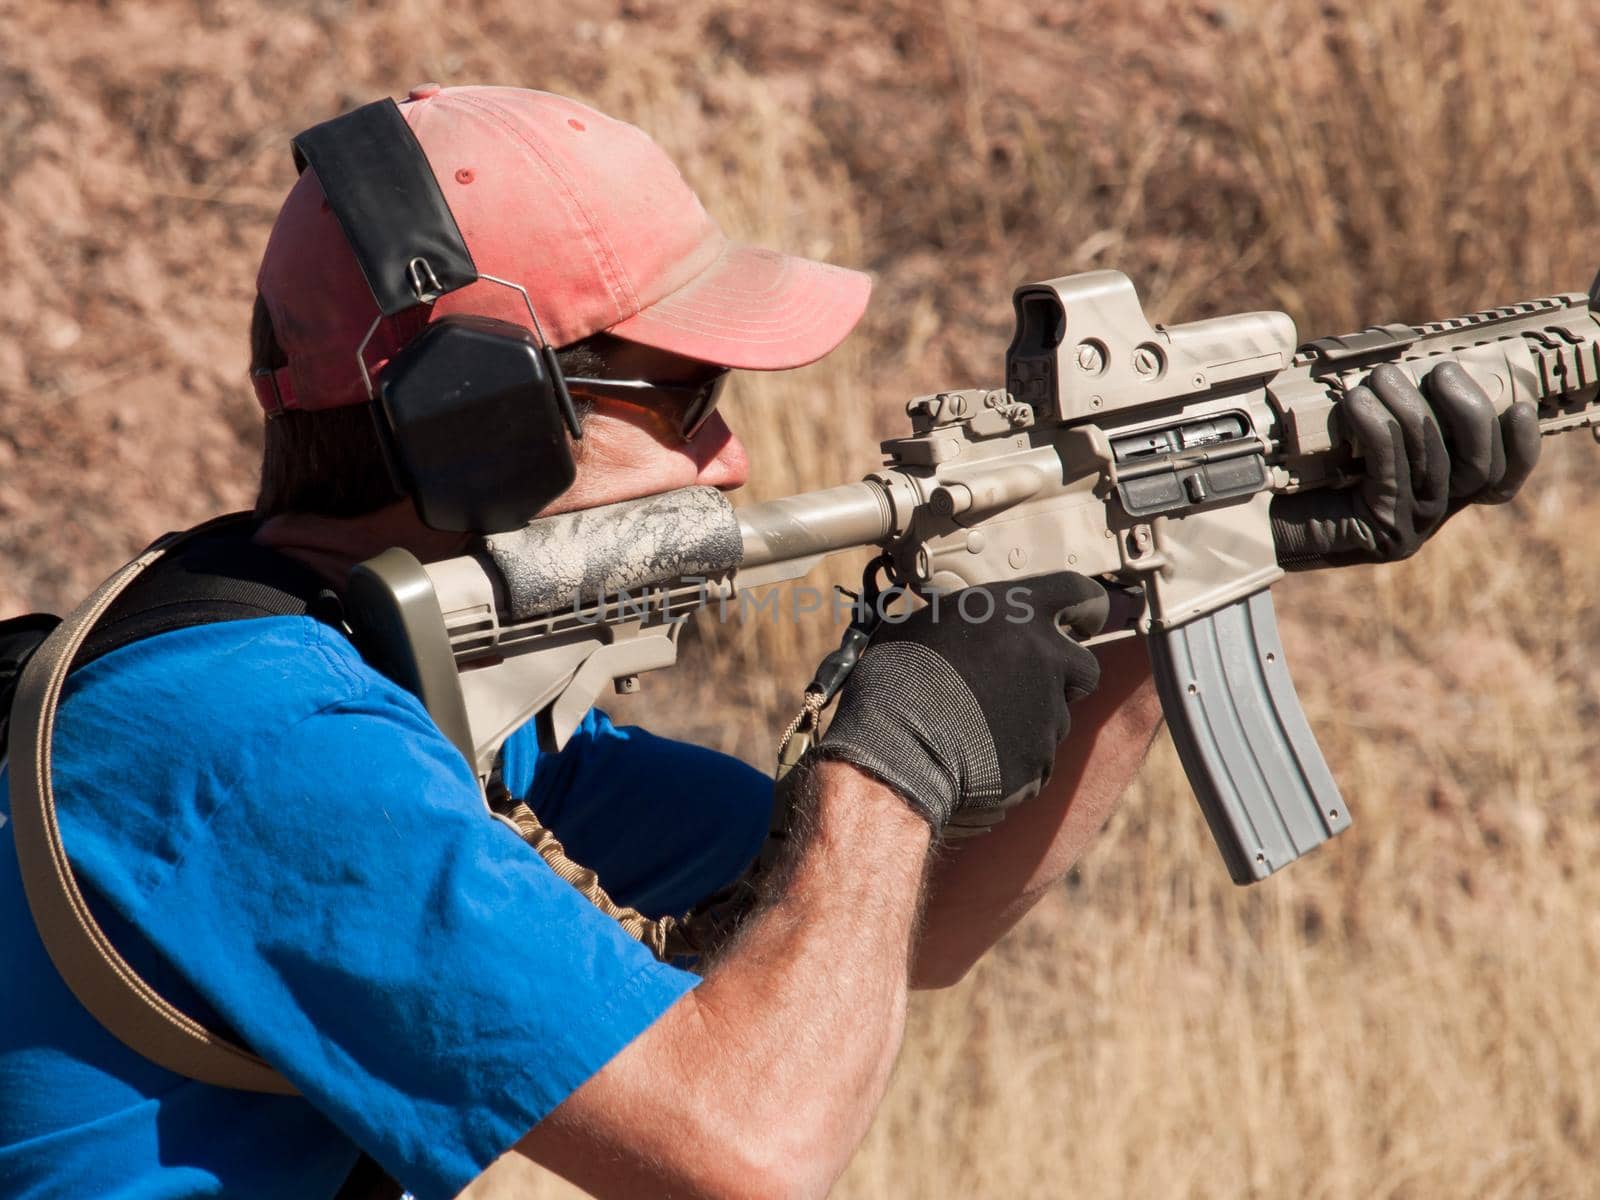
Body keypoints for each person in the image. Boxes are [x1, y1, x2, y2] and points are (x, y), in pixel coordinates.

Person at [0, 84, 1537, 1200]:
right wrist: (893, 755)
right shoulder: (249, 735)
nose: (732, 456)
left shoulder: (408, 680)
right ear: (478, 420)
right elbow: (748, 1149)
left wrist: (1172, 569)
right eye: (683, 400)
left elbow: (897, 937)